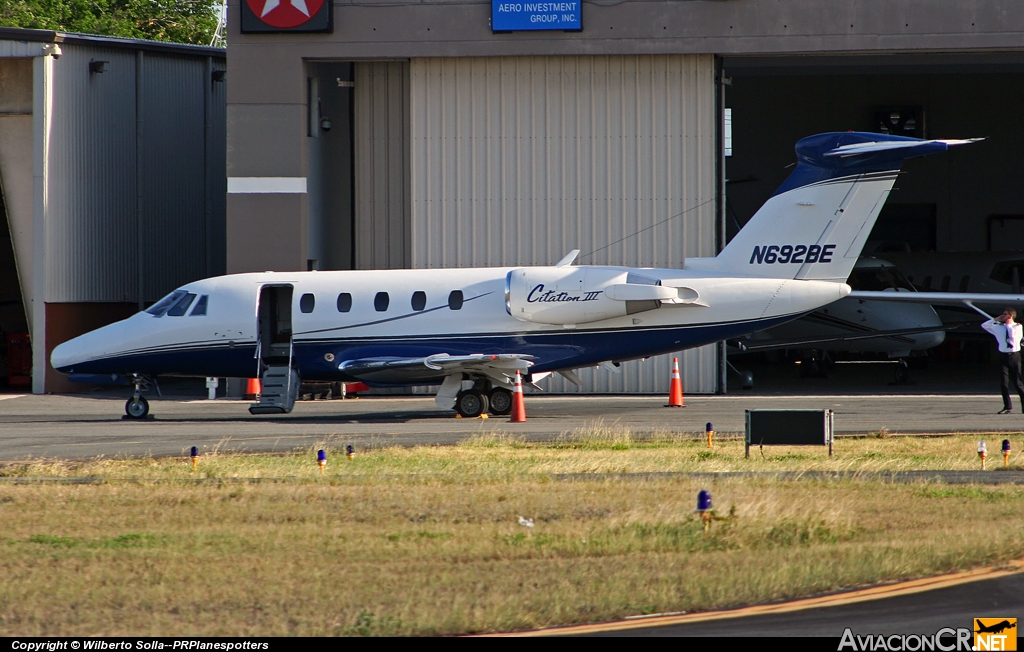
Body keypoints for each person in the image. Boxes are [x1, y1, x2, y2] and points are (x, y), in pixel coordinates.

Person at [982, 308, 1024, 414]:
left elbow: (1013, 336)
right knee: (1004, 382)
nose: (1003, 316)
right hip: (1003, 356)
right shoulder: (998, 327)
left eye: (1005, 314)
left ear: (1010, 316)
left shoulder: (1017, 327)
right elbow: (984, 326)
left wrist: (1008, 324)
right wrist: (996, 319)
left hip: (1014, 356)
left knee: (1017, 382)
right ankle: (1007, 406)